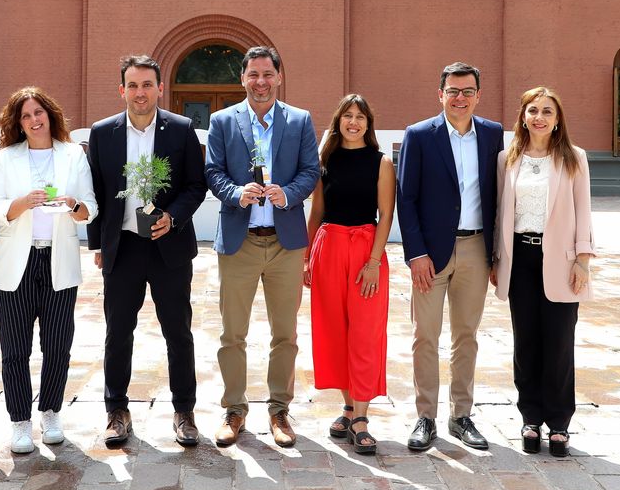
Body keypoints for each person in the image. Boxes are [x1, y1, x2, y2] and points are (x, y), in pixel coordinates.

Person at [87, 55, 207, 448]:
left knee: (178, 331)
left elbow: (195, 185)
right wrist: (98, 245)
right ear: (122, 90)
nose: (140, 93)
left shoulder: (182, 129)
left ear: (160, 88)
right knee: (118, 332)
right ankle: (116, 411)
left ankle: (184, 411)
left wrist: (173, 217)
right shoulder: (104, 133)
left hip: (168, 247)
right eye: (133, 86)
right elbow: (96, 193)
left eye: (147, 85)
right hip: (122, 249)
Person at [205, 45, 320, 448]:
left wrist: (287, 193)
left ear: (279, 76)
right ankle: (234, 410)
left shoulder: (300, 121)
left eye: (267, 74)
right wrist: (236, 192)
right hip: (239, 242)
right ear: (243, 79)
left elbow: (310, 171)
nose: (260, 82)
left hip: (285, 243)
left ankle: (279, 410)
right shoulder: (222, 121)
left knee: (284, 334)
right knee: (232, 334)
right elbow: (212, 171)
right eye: (253, 75)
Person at [397, 61, 503, 451]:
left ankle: (461, 416)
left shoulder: (492, 135)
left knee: (466, 335)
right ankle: (425, 416)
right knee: (425, 335)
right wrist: (416, 254)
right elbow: (405, 199)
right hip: (430, 253)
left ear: (478, 95)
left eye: (468, 91)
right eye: (453, 91)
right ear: (440, 94)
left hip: (476, 248)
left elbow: (498, 195)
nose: (460, 98)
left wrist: (496, 254)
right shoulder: (420, 135)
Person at [0, 87, 96, 453]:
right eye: (26, 116)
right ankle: (19, 422)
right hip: (16, 263)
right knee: (15, 349)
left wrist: (73, 203)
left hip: (59, 262)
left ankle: (50, 411)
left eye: (38, 113)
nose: (34, 120)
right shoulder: (6, 158)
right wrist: (20, 204)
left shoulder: (73, 155)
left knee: (58, 346)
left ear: (50, 114)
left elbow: (89, 209)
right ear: (18, 123)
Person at [492, 86, 595, 457]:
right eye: (533, 110)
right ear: (522, 116)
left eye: (547, 111)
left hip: (562, 262)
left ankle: (559, 423)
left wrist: (583, 258)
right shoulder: (508, 158)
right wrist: (496, 259)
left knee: (559, 344)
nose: (539, 117)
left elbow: (583, 210)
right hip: (519, 260)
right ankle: (530, 418)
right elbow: (502, 213)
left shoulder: (574, 158)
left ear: (557, 119)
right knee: (526, 343)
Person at [304, 94, 395, 455]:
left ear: (368, 124)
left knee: (365, 333)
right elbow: (317, 212)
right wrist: (307, 258)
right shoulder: (323, 160)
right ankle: (347, 407)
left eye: (360, 117)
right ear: (338, 120)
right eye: (347, 116)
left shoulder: (381, 162)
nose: (353, 122)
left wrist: (373, 261)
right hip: (328, 247)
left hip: (365, 251)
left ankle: (361, 417)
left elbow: (386, 215)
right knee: (335, 330)